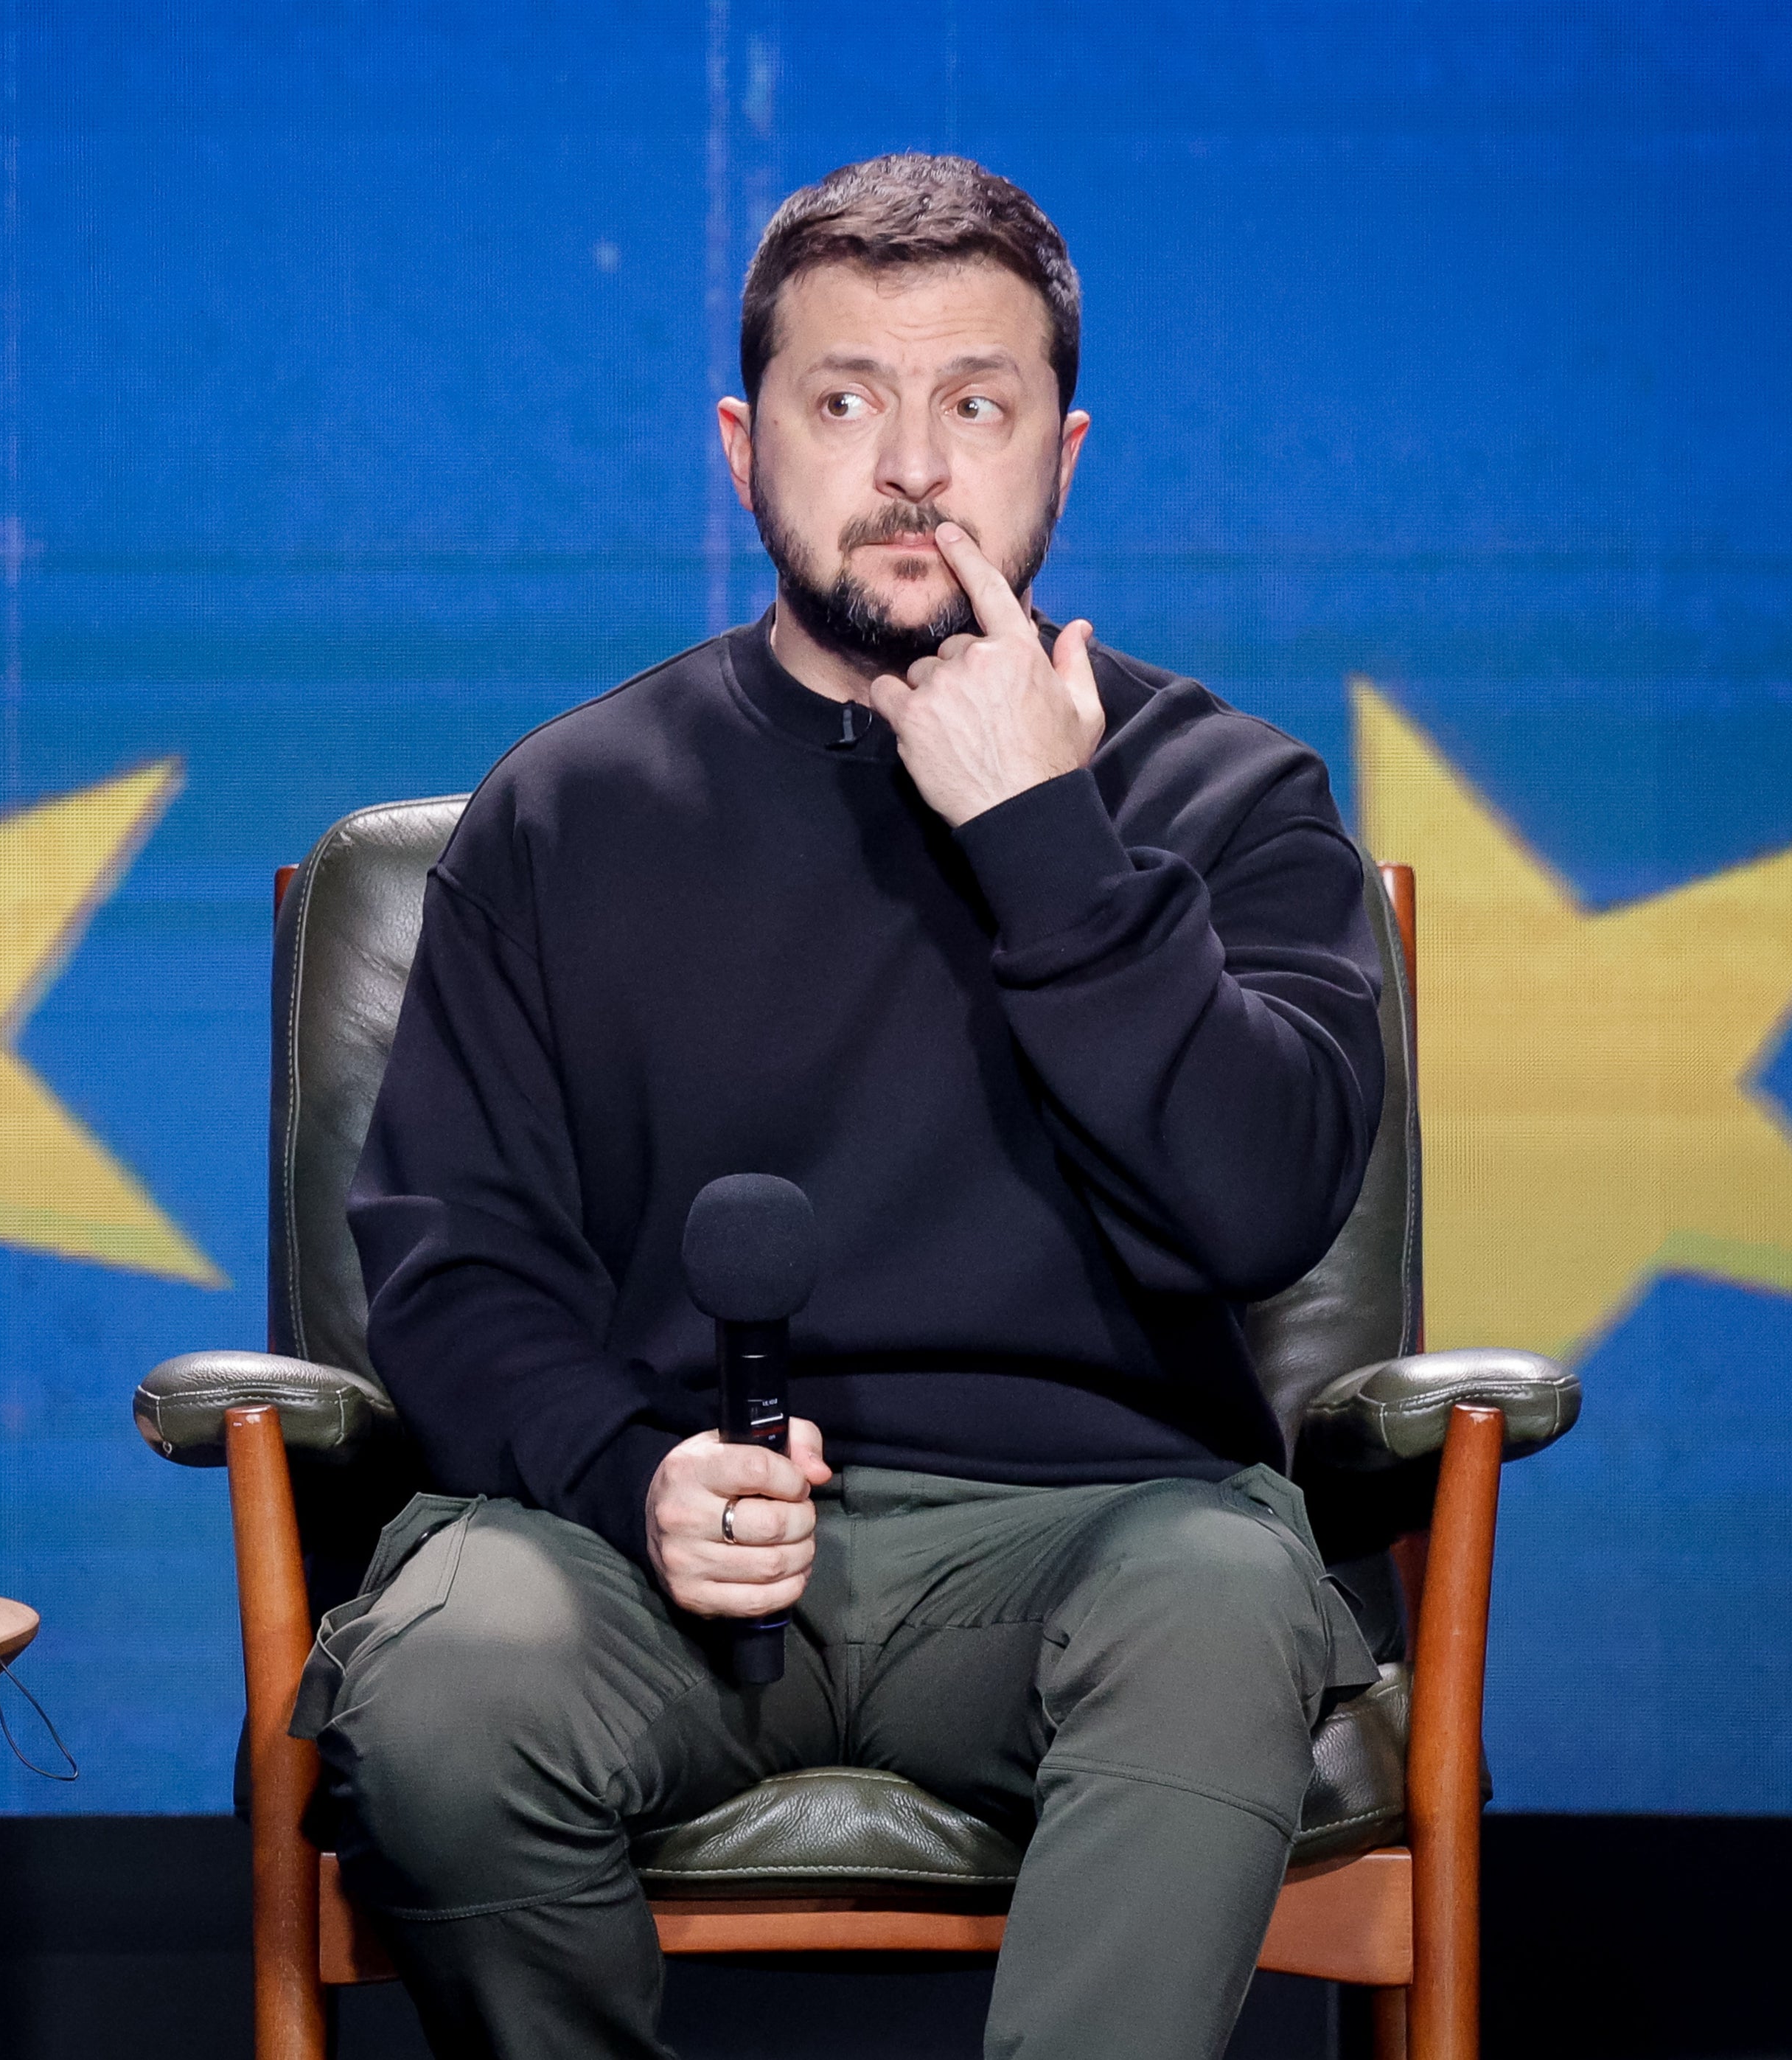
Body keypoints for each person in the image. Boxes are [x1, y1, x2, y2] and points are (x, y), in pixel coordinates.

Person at [296, 153, 1387, 2060]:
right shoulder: (565, 812)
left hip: (1087, 1537)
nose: (909, 466)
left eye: (973, 402)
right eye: (841, 400)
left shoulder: (1225, 795)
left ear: (1063, 445)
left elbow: (1259, 1200)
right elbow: (454, 1268)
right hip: (656, 1553)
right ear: (741, 446)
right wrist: (631, 1472)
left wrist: (1046, 839)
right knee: (445, 1674)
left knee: (1224, 1600)